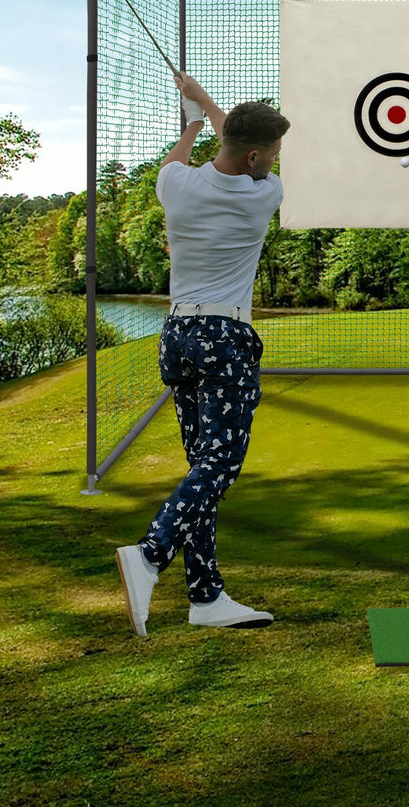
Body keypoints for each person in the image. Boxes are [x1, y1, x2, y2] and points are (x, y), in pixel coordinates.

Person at [116, 71, 291, 637]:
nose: (276, 162)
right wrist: (207, 102)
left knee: (202, 469)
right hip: (226, 342)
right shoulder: (264, 193)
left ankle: (206, 595)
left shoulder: (174, 184)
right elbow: (236, 145)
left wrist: (193, 116)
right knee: (221, 465)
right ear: (258, 157)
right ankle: (148, 554)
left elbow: (212, 148)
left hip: (176, 339)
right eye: (274, 153)